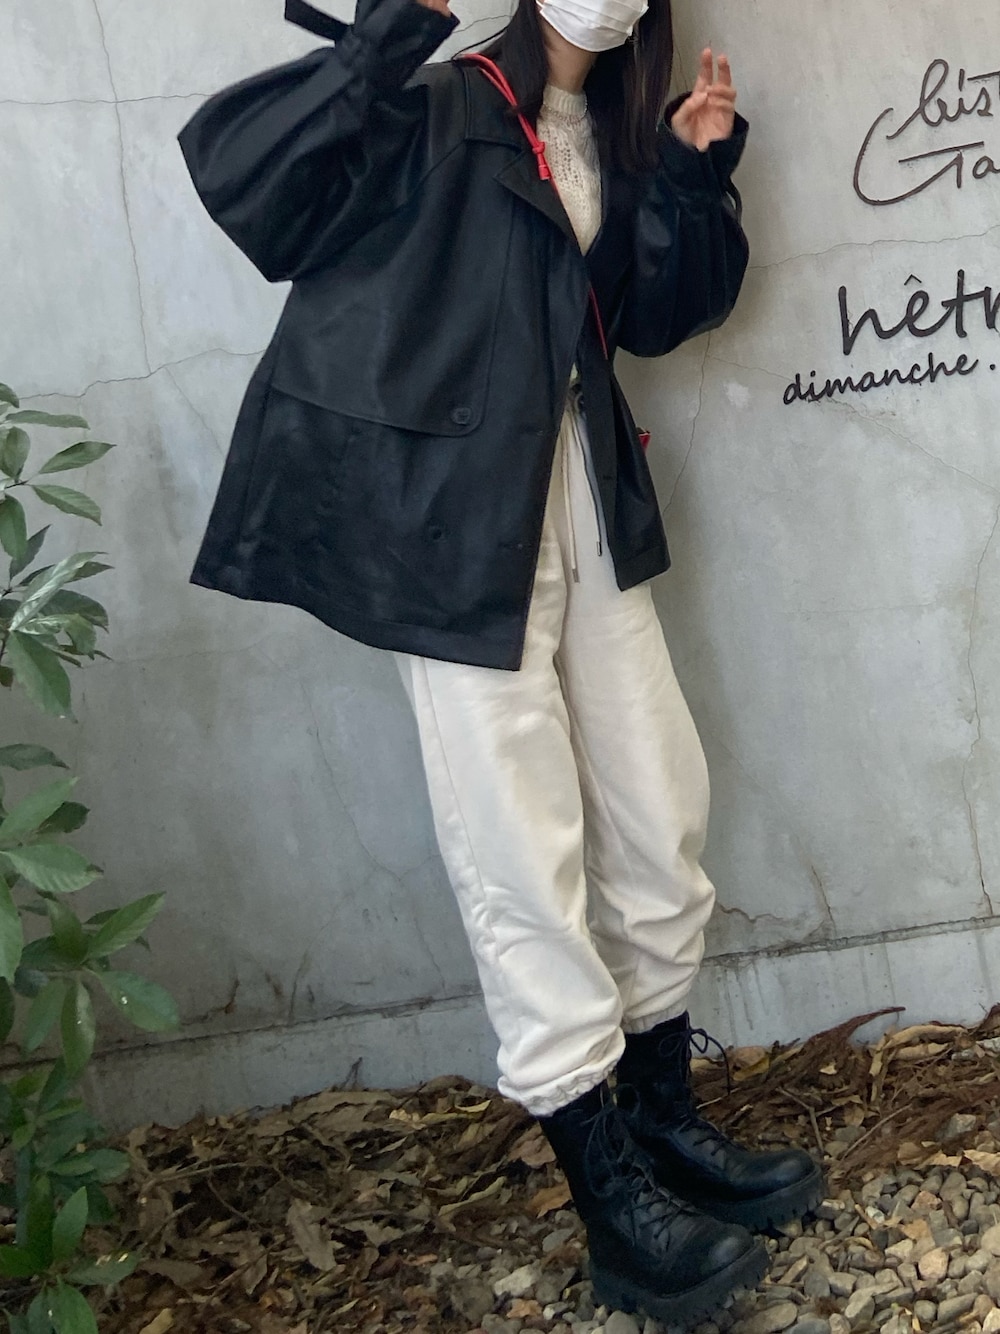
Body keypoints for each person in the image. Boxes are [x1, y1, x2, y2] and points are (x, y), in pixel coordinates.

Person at [178, 0, 823, 1322]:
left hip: (584, 497)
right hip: (457, 538)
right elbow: (244, 181)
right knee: (520, 848)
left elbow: (652, 319)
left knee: (659, 804)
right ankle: (612, 1208)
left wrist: (689, 169)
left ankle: (663, 1125)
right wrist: (379, 38)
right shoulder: (439, 103)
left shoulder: (609, 134)